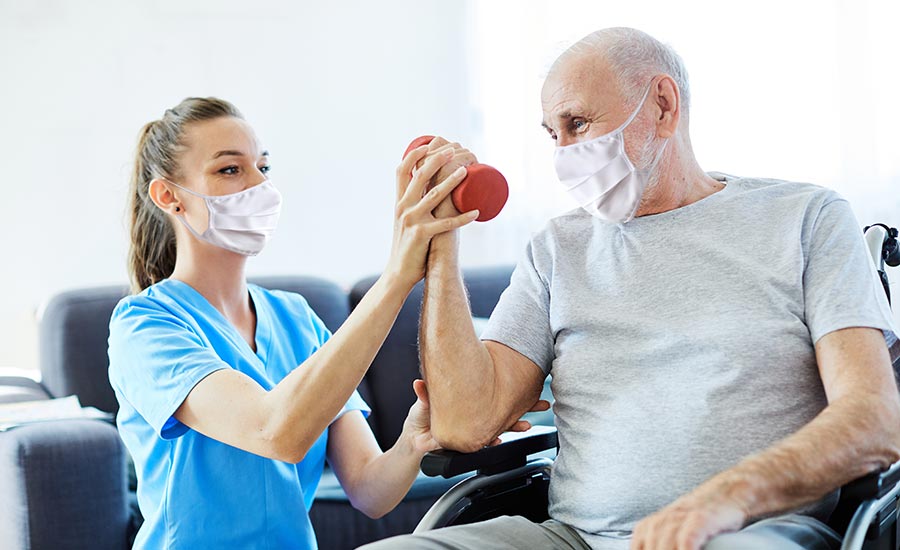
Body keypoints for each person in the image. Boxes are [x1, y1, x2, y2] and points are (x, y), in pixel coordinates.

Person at [362, 27, 900, 550]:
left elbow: (874, 418)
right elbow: (463, 422)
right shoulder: (557, 248)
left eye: (578, 123)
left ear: (663, 105)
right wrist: (442, 240)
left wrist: (724, 499)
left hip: (751, 531)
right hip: (573, 538)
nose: (564, 154)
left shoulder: (805, 219)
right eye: (553, 135)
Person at [107, 97, 491, 549]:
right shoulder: (145, 325)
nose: (260, 185)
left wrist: (414, 438)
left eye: (263, 168)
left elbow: (371, 491)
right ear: (169, 196)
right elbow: (275, 432)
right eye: (230, 170)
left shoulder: (294, 318)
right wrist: (397, 276)